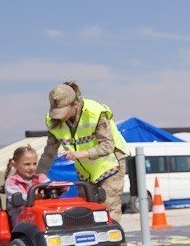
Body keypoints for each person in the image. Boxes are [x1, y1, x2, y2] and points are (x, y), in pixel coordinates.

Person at [37, 82, 128, 218]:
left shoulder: (95, 113)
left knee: (109, 206)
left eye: (63, 112)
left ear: (75, 104)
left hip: (111, 163)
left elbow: (108, 146)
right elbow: (49, 152)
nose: (59, 117)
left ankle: (112, 236)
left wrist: (80, 154)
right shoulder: (53, 121)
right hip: (85, 169)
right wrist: (39, 176)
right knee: (86, 208)